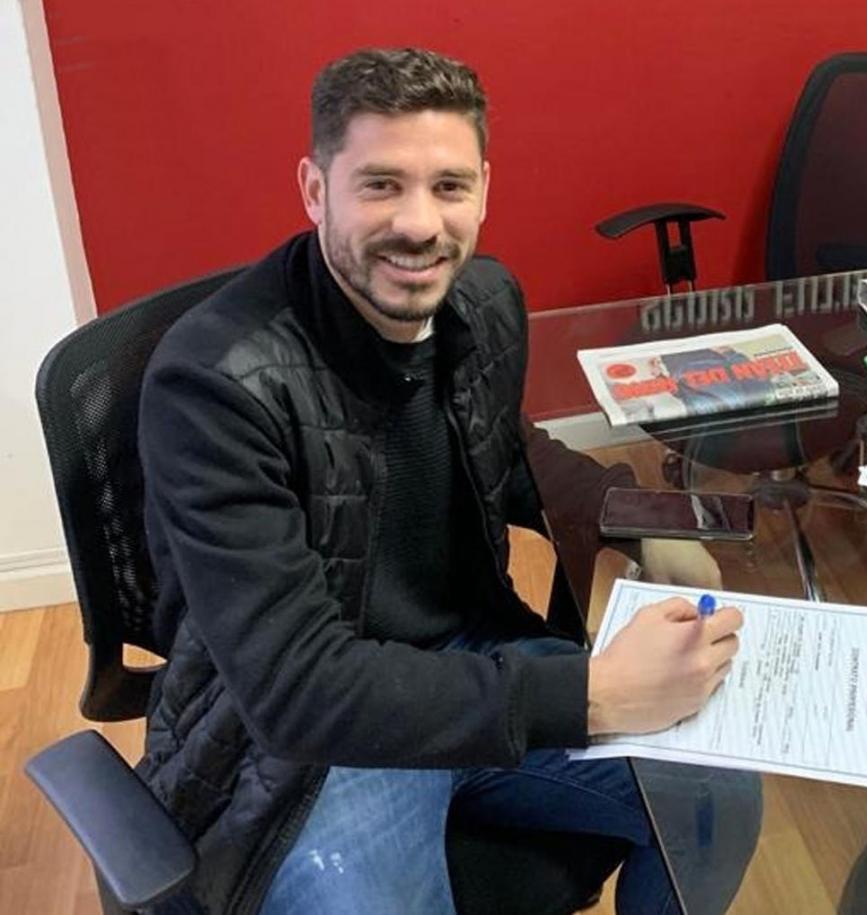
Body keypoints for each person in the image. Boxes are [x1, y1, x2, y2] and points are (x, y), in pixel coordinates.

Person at [137, 47, 759, 915]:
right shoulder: (214, 385)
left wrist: (646, 515)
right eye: (381, 185)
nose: (421, 224)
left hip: (472, 659)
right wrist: (593, 692)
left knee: (719, 785)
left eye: (449, 186)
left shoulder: (480, 301)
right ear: (316, 190)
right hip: (313, 743)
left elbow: (508, 448)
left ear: (485, 190)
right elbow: (293, 688)